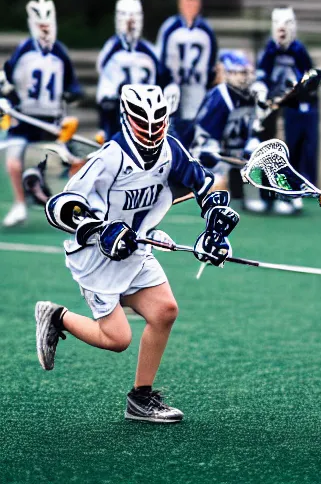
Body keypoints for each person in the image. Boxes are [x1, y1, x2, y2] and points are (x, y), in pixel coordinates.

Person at [35, 84, 239, 422]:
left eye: (158, 121)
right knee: (117, 339)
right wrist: (100, 229)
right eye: (143, 121)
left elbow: (202, 183)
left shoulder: (170, 149)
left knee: (165, 311)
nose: (151, 129)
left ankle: (141, 399)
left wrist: (215, 225)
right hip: (94, 258)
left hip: (137, 247)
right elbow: (61, 206)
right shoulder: (109, 157)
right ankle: (56, 317)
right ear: (127, 118)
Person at [1, 0, 82, 227]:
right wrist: (7, 95)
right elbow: (7, 80)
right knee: (13, 161)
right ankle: (19, 203)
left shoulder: (60, 53)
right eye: (41, 23)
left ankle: (73, 205)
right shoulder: (24, 50)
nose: (45, 28)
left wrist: (73, 93)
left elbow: (73, 85)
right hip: (24, 118)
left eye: (48, 23)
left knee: (70, 162)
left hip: (52, 120)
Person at [253, 7, 319, 214]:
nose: (282, 30)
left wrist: (299, 90)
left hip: (292, 111)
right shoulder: (269, 50)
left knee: (288, 153)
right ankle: (267, 196)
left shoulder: (299, 51)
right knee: (266, 151)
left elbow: (309, 80)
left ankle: (289, 195)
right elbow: (261, 76)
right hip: (271, 109)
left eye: (287, 24)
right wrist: (262, 92)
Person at [97, 0, 177, 140]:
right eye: (125, 17)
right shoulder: (111, 49)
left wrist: (170, 87)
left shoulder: (149, 51)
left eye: (134, 17)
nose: (130, 23)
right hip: (119, 117)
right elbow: (104, 92)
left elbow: (164, 77)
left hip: (148, 117)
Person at [188, 50, 262, 210]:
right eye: (238, 72)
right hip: (214, 148)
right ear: (228, 73)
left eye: (245, 72)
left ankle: (252, 196)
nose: (243, 77)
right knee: (213, 162)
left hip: (235, 146)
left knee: (257, 150)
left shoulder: (250, 95)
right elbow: (206, 134)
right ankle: (212, 197)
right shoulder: (221, 96)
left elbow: (250, 127)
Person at [156, 0, 218, 138]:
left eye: (194, 0)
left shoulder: (206, 30)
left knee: (195, 127)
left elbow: (212, 62)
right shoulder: (170, 27)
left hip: (197, 86)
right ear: (180, 2)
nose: (191, 4)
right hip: (173, 87)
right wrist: (167, 81)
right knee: (172, 127)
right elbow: (160, 60)